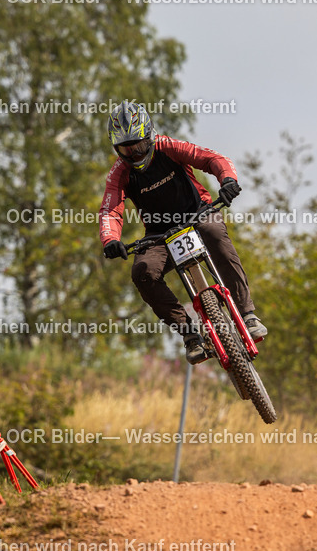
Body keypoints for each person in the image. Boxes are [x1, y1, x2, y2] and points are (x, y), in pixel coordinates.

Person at [99, 100, 267, 364]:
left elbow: (213, 159)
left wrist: (228, 180)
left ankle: (247, 314)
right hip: (159, 234)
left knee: (214, 234)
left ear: (150, 136)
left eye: (139, 146)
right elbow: (110, 210)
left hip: (197, 213)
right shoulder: (119, 173)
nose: (133, 155)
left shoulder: (168, 147)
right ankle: (189, 334)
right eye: (125, 149)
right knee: (142, 272)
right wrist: (110, 239)